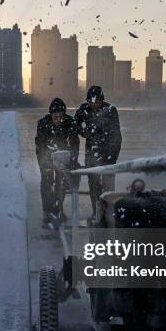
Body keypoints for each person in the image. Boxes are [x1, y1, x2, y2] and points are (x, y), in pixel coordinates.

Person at [75, 85, 122, 218]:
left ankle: (108, 214)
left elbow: (116, 136)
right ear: (88, 101)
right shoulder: (84, 109)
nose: (94, 104)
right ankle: (96, 212)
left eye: (96, 101)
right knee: (94, 186)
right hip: (91, 153)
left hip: (108, 152)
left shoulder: (111, 110)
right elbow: (75, 123)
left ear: (102, 100)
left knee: (108, 187)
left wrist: (112, 157)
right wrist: (83, 132)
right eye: (91, 102)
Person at [35, 98, 80, 227]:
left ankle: (58, 208)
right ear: (51, 114)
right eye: (56, 116)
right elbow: (40, 145)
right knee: (47, 182)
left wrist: (72, 159)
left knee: (62, 182)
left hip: (63, 155)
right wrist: (44, 163)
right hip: (47, 155)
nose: (58, 118)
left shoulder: (70, 122)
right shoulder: (43, 123)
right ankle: (47, 211)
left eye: (61, 115)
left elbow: (74, 143)